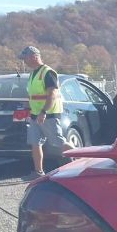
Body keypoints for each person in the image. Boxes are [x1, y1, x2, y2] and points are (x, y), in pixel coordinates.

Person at [18, 45, 73, 179]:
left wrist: (44, 111)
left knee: (58, 142)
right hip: (35, 115)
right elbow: (34, 95)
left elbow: (52, 95)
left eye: (25, 58)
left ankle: (82, 159)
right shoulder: (33, 74)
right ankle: (38, 172)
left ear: (34, 57)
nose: (24, 61)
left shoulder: (48, 72)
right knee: (35, 143)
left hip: (48, 114)